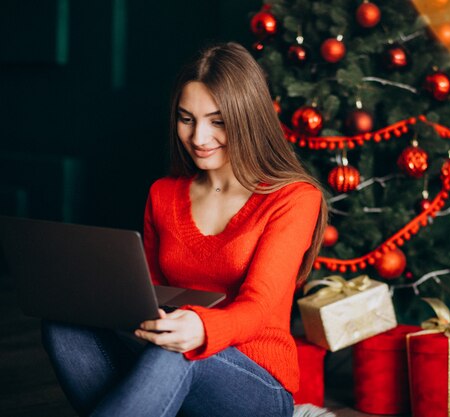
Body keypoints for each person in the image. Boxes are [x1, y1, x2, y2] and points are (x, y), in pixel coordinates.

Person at [41, 42, 328, 417]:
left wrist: (201, 329)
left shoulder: (293, 198)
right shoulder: (163, 194)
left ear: (248, 118)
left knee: (179, 352)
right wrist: (102, 299)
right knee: (63, 326)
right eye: (186, 118)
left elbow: (259, 307)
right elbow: (152, 294)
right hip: (167, 357)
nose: (198, 138)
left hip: (257, 382)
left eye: (217, 121)